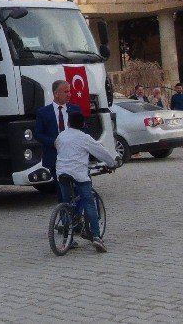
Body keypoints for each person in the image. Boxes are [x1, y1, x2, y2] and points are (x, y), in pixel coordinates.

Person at [55, 112, 120, 253]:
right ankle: (96, 237)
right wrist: (112, 163)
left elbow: (58, 147)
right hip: (79, 174)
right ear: (83, 124)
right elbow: (101, 152)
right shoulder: (84, 138)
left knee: (67, 203)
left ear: (69, 123)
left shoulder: (61, 136)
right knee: (88, 201)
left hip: (62, 173)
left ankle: (68, 239)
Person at [35, 80, 80, 202]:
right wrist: (54, 142)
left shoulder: (75, 109)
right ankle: (66, 216)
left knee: (78, 189)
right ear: (56, 94)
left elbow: (83, 130)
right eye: (66, 92)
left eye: (69, 91)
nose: (69, 94)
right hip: (55, 156)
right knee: (62, 190)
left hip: (74, 156)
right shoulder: (43, 112)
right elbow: (38, 134)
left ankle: (79, 215)